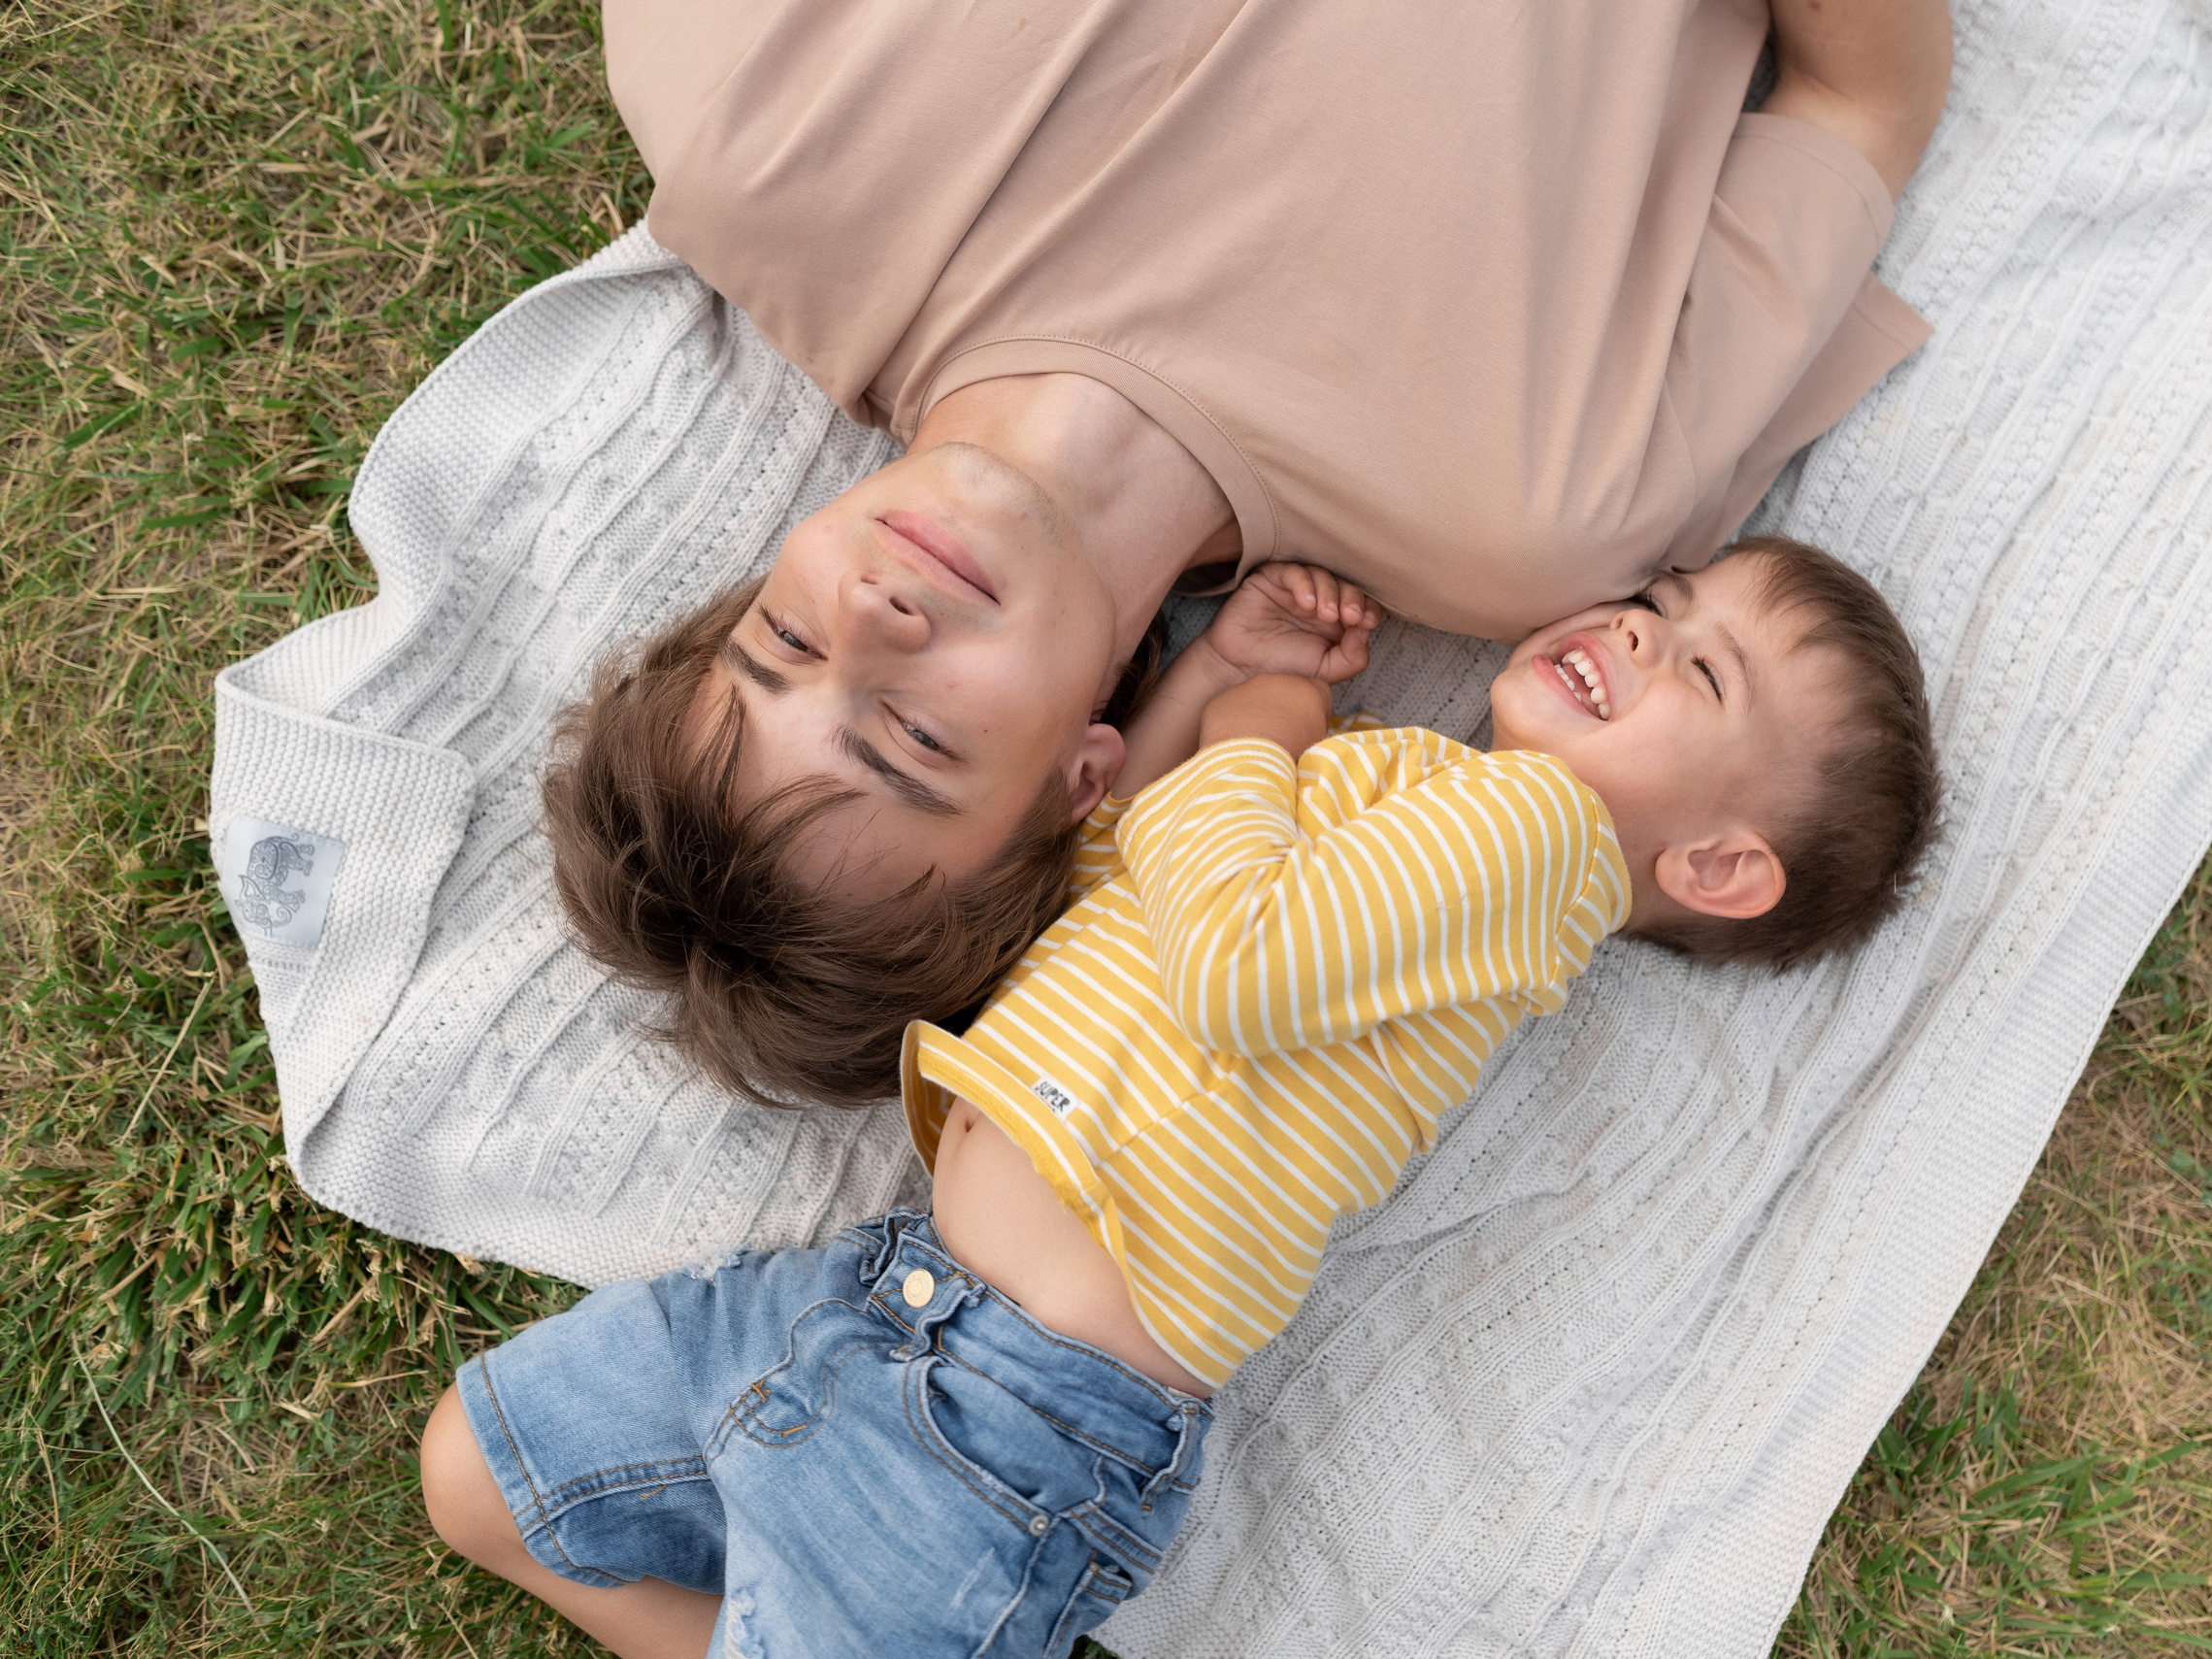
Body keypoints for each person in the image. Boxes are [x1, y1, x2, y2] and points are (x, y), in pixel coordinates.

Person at [420, 535, 1940, 1658]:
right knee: (482, 1468)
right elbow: (1115, 885)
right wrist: (1220, 682)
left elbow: (1233, 965)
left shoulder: (1541, 839)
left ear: (1721, 866)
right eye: (1664, 598)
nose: (1636, 628)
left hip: (1016, 1416)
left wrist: (1259, 730)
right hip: (882, 1306)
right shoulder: (1410, 798)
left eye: (1701, 668)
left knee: (503, 1480)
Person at [539, 0, 1955, 1106]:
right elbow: (1860, 96)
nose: (873, 614)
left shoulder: (755, 139)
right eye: (908, 732)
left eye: (781, 643)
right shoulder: (1537, 522)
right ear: (1086, 781)